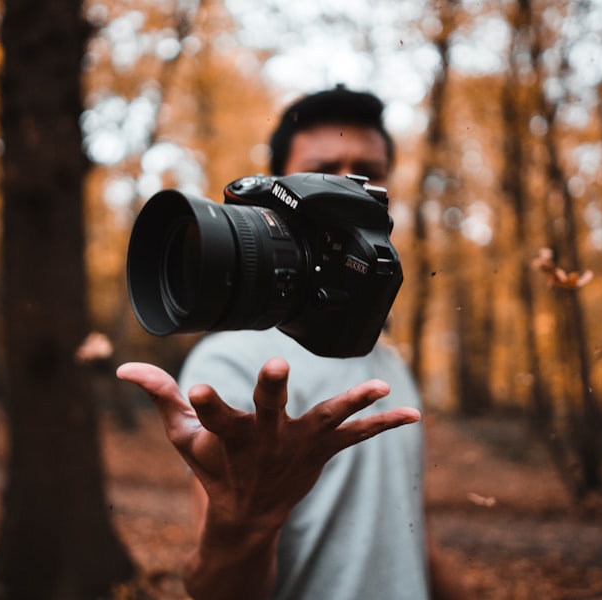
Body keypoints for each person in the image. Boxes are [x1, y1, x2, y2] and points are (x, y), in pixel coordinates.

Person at [117, 87, 465, 599]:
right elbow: (215, 588)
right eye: (327, 170)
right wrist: (246, 521)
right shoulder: (234, 362)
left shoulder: (388, 360)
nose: (351, 188)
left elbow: (411, 535)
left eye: (367, 173)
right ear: (281, 183)